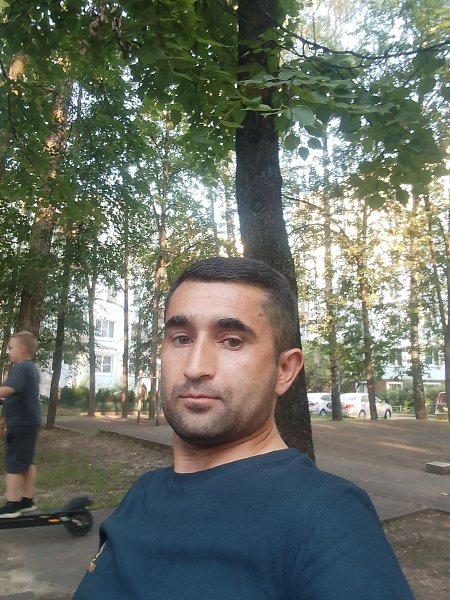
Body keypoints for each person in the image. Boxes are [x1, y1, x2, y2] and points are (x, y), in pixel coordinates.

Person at [74, 257, 414, 599]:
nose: (195, 367)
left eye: (232, 341)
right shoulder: (143, 493)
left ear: (284, 370)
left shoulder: (326, 515)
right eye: (181, 338)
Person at [0, 330, 40, 518]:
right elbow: (18, 394)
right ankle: (27, 500)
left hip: (20, 423)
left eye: (11, 348)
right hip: (29, 422)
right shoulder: (31, 368)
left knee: (14, 462)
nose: (8, 351)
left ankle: (12, 504)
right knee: (27, 462)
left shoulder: (20, 368)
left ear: (22, 349)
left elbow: (9, 389)